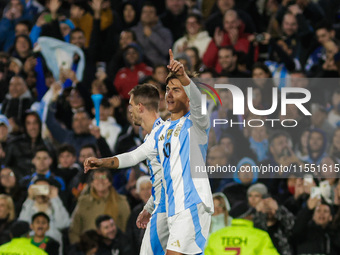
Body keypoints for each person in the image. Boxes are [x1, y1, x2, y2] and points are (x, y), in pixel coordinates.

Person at [85, 49, 213, 254]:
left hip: (192, 203)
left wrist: (184, 77)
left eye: (176, 89)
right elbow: (134, 156)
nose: (169, 94)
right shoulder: (160, 132)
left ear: (188, 97)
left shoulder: (195, 124)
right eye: (168, 89)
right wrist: (102, 162)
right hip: (172, 208)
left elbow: (198, 103)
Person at [68, 169, 131, 244]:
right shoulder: (83, 202)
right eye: (96, 178)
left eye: (104, 177)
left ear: (110, 182)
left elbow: (127, 230)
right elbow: (74, 231)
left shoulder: (121, 202)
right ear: (91, 183)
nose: (100, 181)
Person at [205, 201, 279, 254]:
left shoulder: (216, 236)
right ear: (247, 216)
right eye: (251, 214)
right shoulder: (261, 236)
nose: (253, 216)